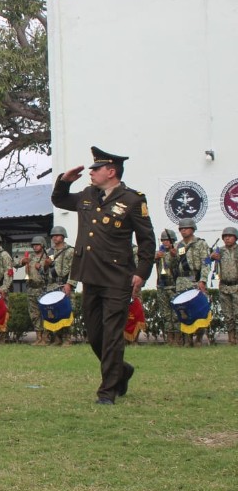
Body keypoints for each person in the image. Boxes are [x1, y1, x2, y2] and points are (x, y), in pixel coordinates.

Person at [51, 146, 154, 405]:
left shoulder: (132, 200)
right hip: (90, 276)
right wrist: (64, 181)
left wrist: (141, 273)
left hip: (118, 278)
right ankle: (122, 370)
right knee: (95, 335)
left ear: (111, 171)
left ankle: (107, 392)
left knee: (111, 336)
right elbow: (60, 201)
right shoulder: (87, 194)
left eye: (96, 169)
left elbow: (146, 241)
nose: (92, 172)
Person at [174, 217, 210, 347]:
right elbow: (174, 266)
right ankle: (187, 339)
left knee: (199, 311)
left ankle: (199, 338)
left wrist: (203, 280)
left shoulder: (201, 244)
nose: (183, 231)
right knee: (183, 311)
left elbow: (206, 263)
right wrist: (172, 256)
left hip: (195, 279)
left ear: (192, 229)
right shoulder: (178, 245)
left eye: (186, 228)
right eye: (181, 229)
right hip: (182, 281)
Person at [18, 236, 51, 346]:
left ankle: (46, 337)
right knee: (34, 314)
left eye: (37, 244)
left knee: (45, 313)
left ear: (42, 245)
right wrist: (22, 261)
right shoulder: (30, 257)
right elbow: (15, 263)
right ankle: (38, 337)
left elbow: (52, 272)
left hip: (43, 288)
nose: (35, 246)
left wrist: (42, 267)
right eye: (33, 245)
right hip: (31, 288)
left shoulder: (47, 257)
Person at [46, 226, 77, 346]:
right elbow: (44, 273)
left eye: (57, 235)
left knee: (66, 311)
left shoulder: (70, 251)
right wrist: (45, 265)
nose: (54, 237)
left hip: (65, 284)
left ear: (63, 236)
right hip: (52, 285)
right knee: (53, 312)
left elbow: (75, 269)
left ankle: (67, 338)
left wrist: (70, 284)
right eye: (53, 235)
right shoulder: (49, 252)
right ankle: (57, 337)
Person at [211, 227, 238, 345]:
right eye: (225, 236)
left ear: (235, 237)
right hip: (224, 287)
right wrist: (211, 256)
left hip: (237, 286)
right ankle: (231, 338)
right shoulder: (219, 251)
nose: (227, 238)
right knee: (228, 315)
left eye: (230, 236)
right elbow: (206, 261)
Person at [154, 229, 180, 345]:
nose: (165, 242)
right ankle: (169, 338)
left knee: (176, 314)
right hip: (161, 286)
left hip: (173, 285)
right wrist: (156, 257)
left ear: (173, 241)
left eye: (168, 240)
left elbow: (180, 263)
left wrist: (172, 256)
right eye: (163, 240)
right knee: (165, 314)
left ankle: (178, 338)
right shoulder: (159, 253)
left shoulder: (177, 251)